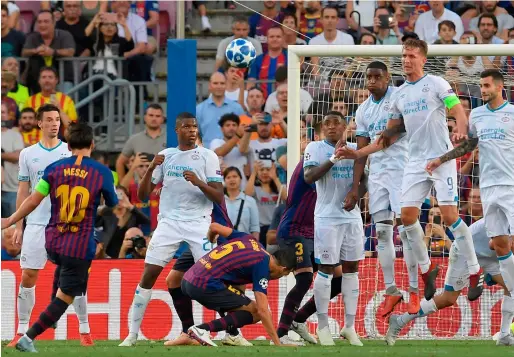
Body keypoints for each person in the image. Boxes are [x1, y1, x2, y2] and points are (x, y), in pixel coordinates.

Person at [338, 39, 484, 304]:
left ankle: (475, 272)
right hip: (415, 163)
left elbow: (456, 109)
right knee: (407, 218)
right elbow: (389, 136)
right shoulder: (401, 94)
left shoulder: (436, 83)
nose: (406, 60)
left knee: (450, 217)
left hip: (441, 157)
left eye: (412, 56)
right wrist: (358, 153)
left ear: (423, 59)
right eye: (404, 56)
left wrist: (461, 127)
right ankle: (427, 269)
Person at [1, 122, 118, 353]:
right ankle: (30, 335)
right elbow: (113, 203)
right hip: (79, 243)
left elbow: (34, 199)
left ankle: (51, 313)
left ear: (69, 145)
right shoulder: (101, 171)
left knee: (63, 267)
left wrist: (12, 219)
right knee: (67, 295)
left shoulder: (54, 169)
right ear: (92, 145)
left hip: (53, 240)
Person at [119, 112, 223, 347]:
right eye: (186, 126)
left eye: (194, 126)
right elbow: (143, 195)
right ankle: (132, 335)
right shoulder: (166, 156)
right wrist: (150, 169)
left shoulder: (208, 156)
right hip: (169, 224)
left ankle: (230, 332)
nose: (191, 130)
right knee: (149, 274)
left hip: (199, 225)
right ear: (177, 130)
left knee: (214, 278)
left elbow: (218, 196)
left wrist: (198, 182)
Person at [425, 70, 514, 346]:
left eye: (486, 85)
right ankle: (504, 333)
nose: (483, 89)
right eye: (481, 85)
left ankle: (490, 280)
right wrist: (442, 158)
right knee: (500, 246)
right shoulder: (476, 115)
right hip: (488, 189)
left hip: (512, 186)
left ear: (499, 87)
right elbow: (469, 144)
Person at [7, 104, 95, 348]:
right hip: (36, 223)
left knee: (74, 278)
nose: (55, 123)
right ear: (39, 123)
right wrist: (18, 224)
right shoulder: (28, 154)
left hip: (65, 225)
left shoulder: (70, 152)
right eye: (49, 119)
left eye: (57, 119)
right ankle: (21, 329)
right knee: (28, 275)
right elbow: (24, 190)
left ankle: (85, 330)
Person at [351, 61, 420, 317]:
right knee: (381, 233)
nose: (372, 81)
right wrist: (355, 187)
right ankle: (391, 289)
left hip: (403, 171)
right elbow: (360, 155)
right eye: (368, 77)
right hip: (378, 176)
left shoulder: (399, 97)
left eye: (377, 76)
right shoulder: (363, 110)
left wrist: (358, 151)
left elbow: (389, 139)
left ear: (387, 77)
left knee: (407, 232)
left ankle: (414, 290)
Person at [386, 219, 514, 346]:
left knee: (511, 286)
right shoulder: (505, 212)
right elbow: (493, 243)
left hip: (492, 256)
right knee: (448, 299)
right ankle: (399, 320)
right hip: (466, 252)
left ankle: (504, 335)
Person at [303, 111, 365, 346]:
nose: (331, 127)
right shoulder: (314, 148)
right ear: (321, 128)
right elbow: (309, 177)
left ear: (345, 127)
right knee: (327, 268)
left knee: (352, 268)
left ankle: (349, 327)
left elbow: (364, 178)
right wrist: (334, 159)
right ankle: (323, 326)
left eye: (336, 123)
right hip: (327, 217)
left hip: (351, 217)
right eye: (327, 123)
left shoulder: (354, 149)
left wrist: (356, 194)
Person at [182, 223, 297, 347]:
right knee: (256, 312)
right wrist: (277, 343)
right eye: (286, 274)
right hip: (204, 284)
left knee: (237, 293)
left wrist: (211, 239)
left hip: (188, 279)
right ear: (283, 268)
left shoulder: (250, 240)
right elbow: (263, 310)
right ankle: (202, 329)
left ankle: (232, 335)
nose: (280, 277)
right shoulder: (262, 266)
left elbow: (214, 227)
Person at [162, 200, 253, 347]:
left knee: (215, 284)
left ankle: (233, 334)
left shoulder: (207, 182)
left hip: (217, 238)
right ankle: (187, 333)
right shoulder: (187, 184)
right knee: (173, 280)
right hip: (199, 238)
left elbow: (214, 193)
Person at [274, 159, 317, 345]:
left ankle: (298, 319)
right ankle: (281, 333)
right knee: (305, 279)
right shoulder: (311, 164)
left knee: (337, 276)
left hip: (314, 232)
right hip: (294, 230)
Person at [22, 10, 75, 94]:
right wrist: (36, 50)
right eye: (39, 22)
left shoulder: (65, 35)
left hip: (62, 79)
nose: (42, 25)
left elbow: (70, 51)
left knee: (63, 103)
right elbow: (24, 52)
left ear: (54, 23)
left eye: (46, 21)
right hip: (38, 81)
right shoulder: (32, 37)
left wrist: (53, 52)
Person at [116, 104, 166, 182]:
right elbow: (120, 162)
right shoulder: (134, 139)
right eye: (151, 115)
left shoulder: (170, 138)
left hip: (163, 187)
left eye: (157, 116)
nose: (154, 118)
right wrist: (123, 186)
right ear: (145, 118)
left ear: (162, 119)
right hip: (138, 188)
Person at [24, 67, 78, 137]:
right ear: (39, 81)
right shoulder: (30, 101)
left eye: (50, 77)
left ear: (56, 80)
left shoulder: (67, 100)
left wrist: (59, 109)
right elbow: (24, 124)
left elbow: (73, 128)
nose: (47, 80)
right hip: (33, 141)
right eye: (44, 77)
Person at [195, 72, 244, 149]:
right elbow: (196, 136)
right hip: (208, 156)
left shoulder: (237, 108)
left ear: (226, 85)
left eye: (222, 83)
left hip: (232, 155)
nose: (219, 86)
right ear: (209, 86)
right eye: (215, 83)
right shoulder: (199, 109)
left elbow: (242, 133)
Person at [209, 114, 248, 188]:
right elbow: (219, 153)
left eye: (234, 125)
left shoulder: (243, 146)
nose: (231, 128)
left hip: (243, 189)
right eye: (228, 125)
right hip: (223, 190)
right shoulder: (216, 142)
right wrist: (238, 136)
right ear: (222, 129)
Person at [247, 26, 287, 98]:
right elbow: (251, 82)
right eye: (271, 37)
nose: (275, 39)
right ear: (267, 39)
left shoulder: (290, 58)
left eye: (278, 37)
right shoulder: (258, 59)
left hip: (285, 99)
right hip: (262, 102)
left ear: (283, 39)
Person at [1, 102, 24, 218]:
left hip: (11, 189)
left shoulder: (15, 135)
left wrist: (2, 155)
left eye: (3, 112)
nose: (1, 115)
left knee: (12, 229)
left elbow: (17, 156)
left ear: (8, 115)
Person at [223, 167, 260, 237]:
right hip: (224, 244)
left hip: (245, 243)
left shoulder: (250, 201)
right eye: (228, 177)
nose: (232, 180)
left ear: (240, 179)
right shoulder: (220, 202)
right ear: (224, 181)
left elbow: (255, 228)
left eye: (235, 176)